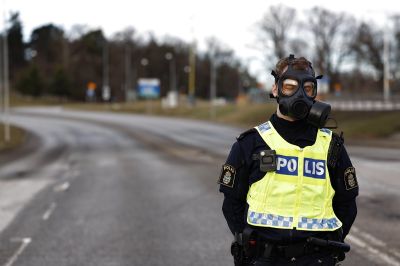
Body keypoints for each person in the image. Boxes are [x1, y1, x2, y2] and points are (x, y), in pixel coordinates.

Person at [218, 55, 358, 266]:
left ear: (315, 93)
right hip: (264, 258)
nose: (300, 94)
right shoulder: (251, 143)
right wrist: (248, 243)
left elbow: (347, 206)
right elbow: (231, 204)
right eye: (290, 86)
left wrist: (328, 250)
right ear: (276, 89)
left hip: (317, 259)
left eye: (308, 88)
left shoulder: (332, 146)